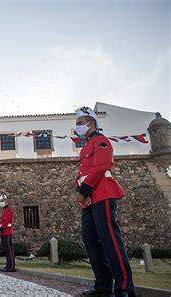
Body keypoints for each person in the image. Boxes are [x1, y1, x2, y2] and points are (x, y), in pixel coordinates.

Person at [74, 106, 135, 297]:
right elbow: (82, 173)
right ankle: (102, 285)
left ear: (91, 124)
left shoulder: (101, 141)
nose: (77, 127)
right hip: (88, 199)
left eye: (80, 123)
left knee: (109, 239)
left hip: (102, 193)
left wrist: (83, 190)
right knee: (90, 240)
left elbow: (101, 166)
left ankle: (124, 287)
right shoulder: (84, 148)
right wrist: (79, 189)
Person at [0, 193, 16, 272]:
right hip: (4, 232)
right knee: (6, 249)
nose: (1, 202)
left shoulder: (8, 210)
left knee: (9, 249)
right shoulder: (4, 211)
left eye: (2, 200)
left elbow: (7, 221)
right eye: (0, 200)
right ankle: (8, 264)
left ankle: (11, 266)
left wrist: (2, 227)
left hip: (7, 232)